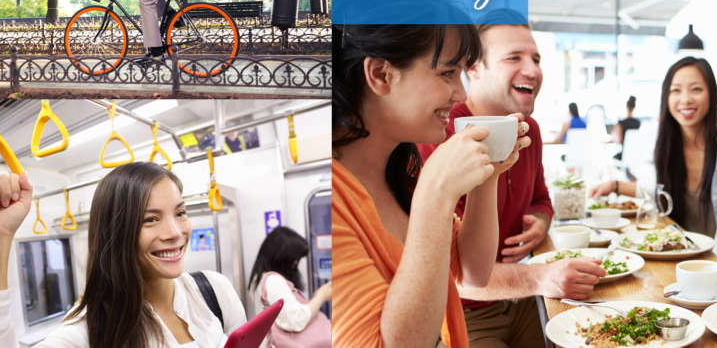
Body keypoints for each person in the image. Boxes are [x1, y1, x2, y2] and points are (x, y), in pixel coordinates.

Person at [332, 23, 529, 348]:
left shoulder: (401, 166)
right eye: (447, 73)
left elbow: (471, 273)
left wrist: (488, 174)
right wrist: (435, 196)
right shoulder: (333, 197)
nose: (462, 93)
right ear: (381, 74)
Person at [419, 23, 607, 348]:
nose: (532, 70)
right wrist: (542, 277)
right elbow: (454, 276)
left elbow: (542, 199)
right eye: (514, 57)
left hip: (523, 296)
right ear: (473, 68)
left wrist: (540, 222)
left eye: (536, 59)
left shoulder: (528, 129)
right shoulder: (439, 135)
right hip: (465, 311)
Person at [0, 163, 247, 348]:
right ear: (116, 232)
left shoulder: (214, 290)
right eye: (150, 219)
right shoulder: (90, 329)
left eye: (180, 213)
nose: (174, 231)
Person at [589, 56, 717, 257]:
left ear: (712, 94)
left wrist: (714, 271)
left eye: (696, 89)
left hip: (716, 265)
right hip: (677, 253)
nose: (685, 99)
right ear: (666, 97)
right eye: (676, 90)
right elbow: (657, 190)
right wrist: (615, 186)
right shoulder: (664, 142)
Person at [248, 227, 331, 348]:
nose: (296, 262)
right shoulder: (273, 281)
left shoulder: (258, 279)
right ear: (281, 254)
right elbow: (297, 320)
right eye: (294, 257)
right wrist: (321, 297)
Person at [612, 95, 642, 160]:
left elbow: (619, 141)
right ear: (634, 107)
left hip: (624, 155)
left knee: (614, 158)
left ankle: (626, 170)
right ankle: (627, 170)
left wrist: (614, 134)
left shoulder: (620, 123)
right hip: (635, 154)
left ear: (626, 107)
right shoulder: (638, 123)